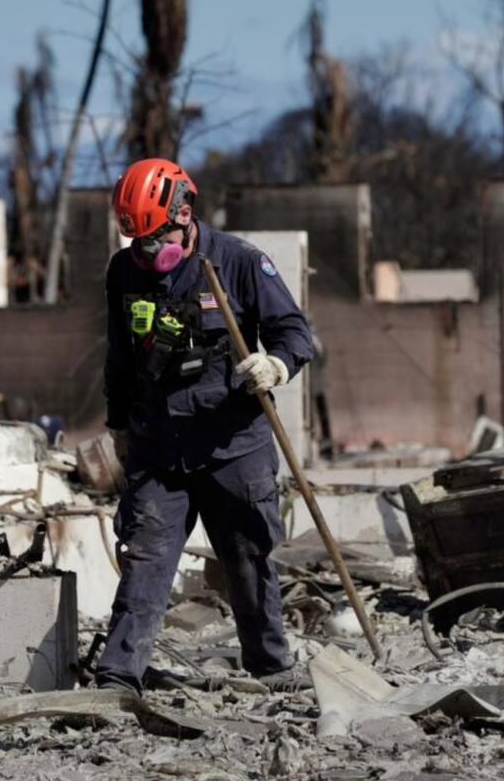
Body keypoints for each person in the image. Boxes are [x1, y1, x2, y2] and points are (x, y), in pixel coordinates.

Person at [96, 158, 314, 693]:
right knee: (145, 557)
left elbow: (294, 332)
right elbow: (120, 357)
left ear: (185, 215)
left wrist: (277, 365)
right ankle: (118, 678)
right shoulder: (124, 273)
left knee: (247, 558)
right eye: (137, 243)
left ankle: (270, 666)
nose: (147, 253)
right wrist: (119, 426)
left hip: (232, 445)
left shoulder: (239, 262)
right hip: (158, 446)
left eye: (154, 239)